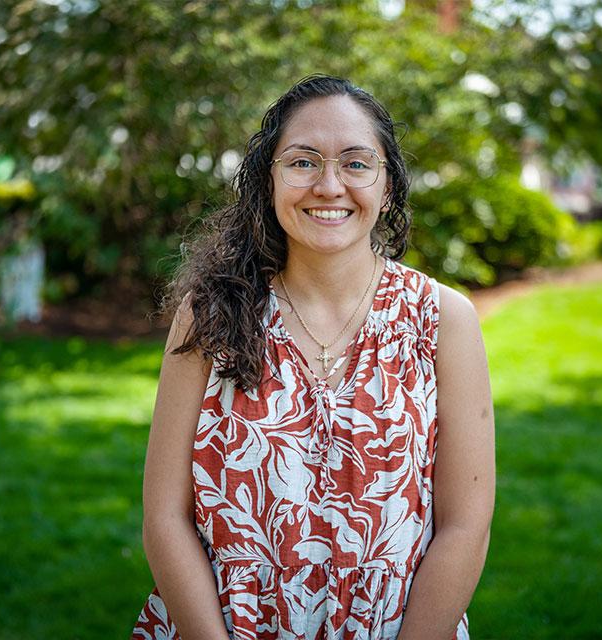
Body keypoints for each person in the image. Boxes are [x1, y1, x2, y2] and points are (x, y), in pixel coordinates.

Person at [131, 74, 494, 640]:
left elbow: (466, 526)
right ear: (268, 180)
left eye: (355, 163)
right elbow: (164, 518)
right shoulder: (211, 315)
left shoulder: (444, 320)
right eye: (303, 162)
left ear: (389, 186)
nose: (329, 185)